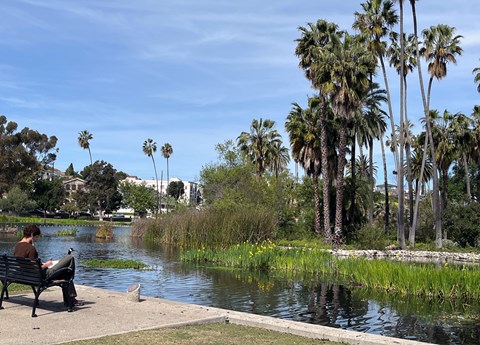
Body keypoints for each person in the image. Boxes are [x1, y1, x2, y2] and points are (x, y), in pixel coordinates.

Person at [13, 224, 79, 305]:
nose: (37, 239)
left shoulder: (17, 246)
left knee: (65, 274)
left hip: (27, 275)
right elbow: (37, 269)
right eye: (37, 237)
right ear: (32, 235)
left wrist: (42, 263)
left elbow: (29, 263)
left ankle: (71, 299)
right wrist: (47, 264)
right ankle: (71, 293)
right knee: (69, 258)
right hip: (42, 275)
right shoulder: (31, 248)